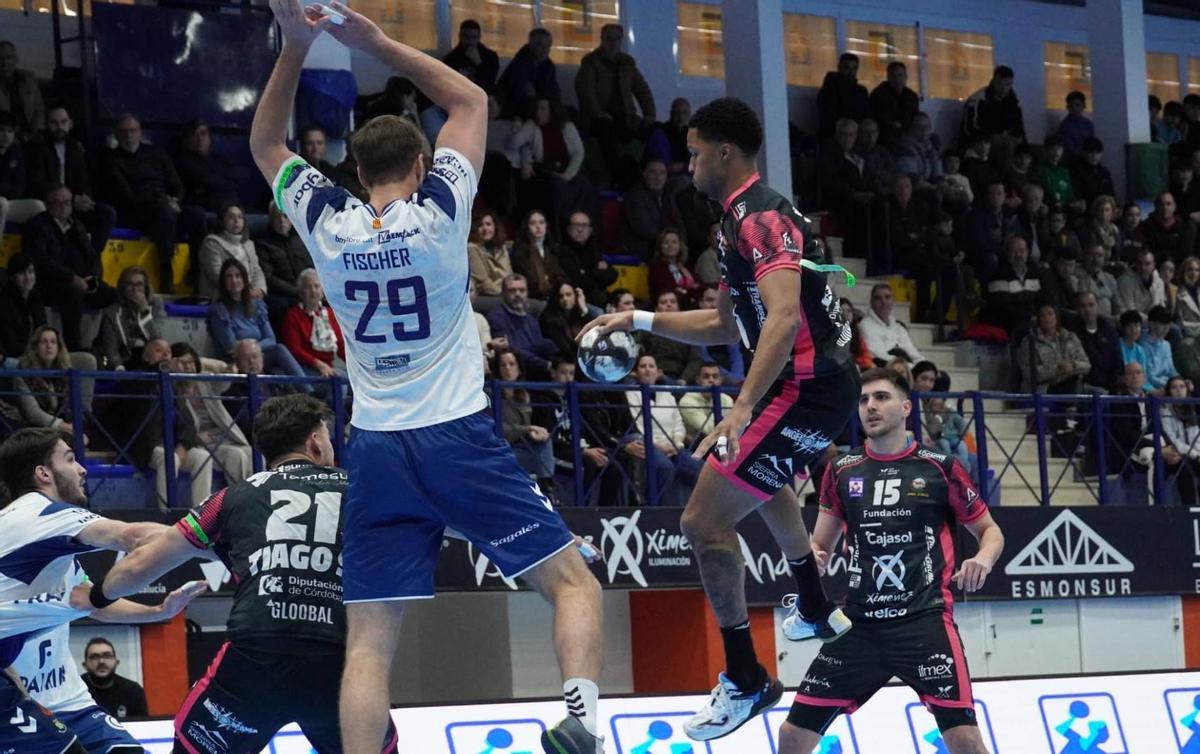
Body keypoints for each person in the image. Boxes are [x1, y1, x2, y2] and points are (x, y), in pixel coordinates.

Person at [248, 4, 606, 753]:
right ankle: (580, 719)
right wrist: (377, 43)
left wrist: (296, 47)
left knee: (368, 644)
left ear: (356, 173)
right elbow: (470, 101)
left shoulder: (329, 223)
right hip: (456, 438)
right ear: (420, 166)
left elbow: (266, 144)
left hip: (375, 447)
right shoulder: (441, 210)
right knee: (573, 583)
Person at [583, 97, 859, 741]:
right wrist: (638, 319)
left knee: (702, 521)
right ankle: (815, 604)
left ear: (724, 152)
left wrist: (741, 406)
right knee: (759, 482)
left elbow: (783, 316)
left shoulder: (760, 220)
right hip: (810, 386)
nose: (689, 163)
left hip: (806, 388)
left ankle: (745, 677)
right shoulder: (738, 220)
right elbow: (724, 324)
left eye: (695, 152)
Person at [89, 394, 402, 754]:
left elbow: (142, 564)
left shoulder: (231, 498)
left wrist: (98, 596)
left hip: (255, 663)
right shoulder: (363, 492)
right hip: (339, 664)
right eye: (328, 437)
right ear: (315, 442)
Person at [775, 368, 1003, 754]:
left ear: (906, 407)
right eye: (863, 400)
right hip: (858, 625)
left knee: (964, 739)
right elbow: (820, 544)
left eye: (881, 397)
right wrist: (814, 556)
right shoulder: (841, 470)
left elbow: (990, 530)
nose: (870, 407)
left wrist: (983, 557)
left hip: (924, 623)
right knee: (791, 735)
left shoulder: (940, 467)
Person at [0, 427, 204, 754]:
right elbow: (134, 537)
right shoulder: (40, 514)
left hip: (68, 701)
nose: (82, 469)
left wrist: (158, 612)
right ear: (43, 474)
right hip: (24, 700)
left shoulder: (51, 544)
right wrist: (211, 539)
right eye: (70, 459)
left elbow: (93, 602)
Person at [101, 113, 205, 293]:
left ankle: (196, 270)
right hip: (138, 213)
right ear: (116, 134)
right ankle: (166, 270)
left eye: (133, 130)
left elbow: (176, 185)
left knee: (197, 215)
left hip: (166, 208)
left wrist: (175, 200)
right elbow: (126, 196)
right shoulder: (111, 160)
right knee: (164, 213)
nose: (129, 135)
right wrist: (164, 202)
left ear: (140, 132)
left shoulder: (157, 153)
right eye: (124, 131)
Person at [21, 184, 119, 350]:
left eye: (67, 202)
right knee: (72, 292)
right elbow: (41, 261)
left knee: (113, 294)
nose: (63, 207)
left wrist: (93, 279)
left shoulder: (77, 226)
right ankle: (73, 347)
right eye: (57, 202)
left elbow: (93, 257)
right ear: (48, 204)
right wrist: (72, 278)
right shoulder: (37, 225)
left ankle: (104, 346)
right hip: (51, 282)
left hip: (81, 280)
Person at [26, 104, 116, 253]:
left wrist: (85, 198)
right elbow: (37, 184)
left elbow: (84, 180)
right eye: (54, 122)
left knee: (107, 213)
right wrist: (70, 199)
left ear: (70, 124)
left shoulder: (75, 147)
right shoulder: (37, 148)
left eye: (63, 122)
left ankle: (91, 258)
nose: (59, 127)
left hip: (73, 206)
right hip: (50, 204)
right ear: (46, 125)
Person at [575, 23, 656, 185]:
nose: (613, 43)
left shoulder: (627, 65)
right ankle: (616, 176)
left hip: (626, 117)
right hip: (597, 119)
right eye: (609, 39)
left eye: (616, 39)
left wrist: (649, 115)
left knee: (654, 131)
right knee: (606, 131)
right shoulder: (591, 63)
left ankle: (648, 175)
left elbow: (642, 90)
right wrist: (598, 113)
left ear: (621, 41)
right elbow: (586, 92)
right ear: (602, 40)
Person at [206, 258, 308, 381]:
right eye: (229, 276)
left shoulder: (256, 305)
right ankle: (308, 389)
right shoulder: (219, 310)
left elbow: (271, 338)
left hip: (259, 356)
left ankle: (306, 389)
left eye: (238, 275)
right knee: (278, 352)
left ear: (244, 278)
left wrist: (255, 350)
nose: (234, 280)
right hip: (236, 360)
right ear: (223, 281)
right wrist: (254, 351)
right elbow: (231, 347)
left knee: (278, 365)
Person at [492, 348, 556, 494]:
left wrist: (535, 433)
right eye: (503, 365)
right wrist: (527, 430)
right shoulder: (492, 394)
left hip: (522, 447)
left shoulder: (524, 395)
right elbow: (499, 429)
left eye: (511, 364)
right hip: (501, 452)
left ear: (519, 368)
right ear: (498, 369)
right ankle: (546, 487)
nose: (508, 369)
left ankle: (547, 487)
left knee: (545, 441)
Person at [12, 325, 93, 436]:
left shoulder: (65, 369)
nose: (49, 346)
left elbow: (89, 360)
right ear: (35, 347)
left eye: (53, 342)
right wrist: (62, 426)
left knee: (82, 439)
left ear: (59, 347)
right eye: (43, 342)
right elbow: (32, 413)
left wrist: (75, 423)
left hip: (64, 427)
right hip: (35, 429)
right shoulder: (23, 370)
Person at [94, 266, 166, 371]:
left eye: (139, 284)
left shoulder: (156, 306)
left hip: (153, 361)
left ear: (146, 287)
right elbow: (111, 348)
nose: (134, 289)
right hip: (125, 363)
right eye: (129, 284)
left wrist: (144, 311)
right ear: (123, 288)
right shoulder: (111, 312)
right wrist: (119, 368)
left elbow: (158, 340)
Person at [487, 273, 557, 379]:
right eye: (512, 290)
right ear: (503, 293)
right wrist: (546, 365)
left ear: (527, 293)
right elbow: (510, 351)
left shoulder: (532, 320)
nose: (518, 294)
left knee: (548, 346)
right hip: (514, 373)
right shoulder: (496, 317)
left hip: (536, 371)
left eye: (522, 290)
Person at [256, 200, 315, 324]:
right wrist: (296, 291)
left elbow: (313, 267)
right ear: (271, 220)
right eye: (277, 217)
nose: (282, 220)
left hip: (308, 289)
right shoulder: (263, 244)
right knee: (280, 306)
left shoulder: (301, 239)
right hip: (286, 294)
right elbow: (269, 278)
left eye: (285, 216)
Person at [198, 202, 269, 299]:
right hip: (220, 297)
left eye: (240, 217)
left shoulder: (248, 244)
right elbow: (216, 275)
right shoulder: (211, 243)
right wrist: (245, 292)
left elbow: (257, 270)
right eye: (231, 217)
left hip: (249, 295)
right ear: (222, 221)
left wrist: (259, 289)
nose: (236, 221)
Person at [1018, 303, 1090, 395]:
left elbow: (1087, 364)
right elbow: (1030, 373)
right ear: (1038, 319)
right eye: (1043, 315)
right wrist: (1057, 369)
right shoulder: (1029, 342)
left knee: (1099, 393)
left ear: (1056, 316)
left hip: (1071, 384)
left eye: (1050, 314)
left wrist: (1073, 365)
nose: (1047, 318)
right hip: (1043, 389)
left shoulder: (1070, 337)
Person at [173, 119, 240, 212]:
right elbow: (207, 180)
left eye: (203, 134)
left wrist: (212, 187)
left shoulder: (218, 159)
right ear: (186, 140)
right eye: (194, 135)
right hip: (199, 207)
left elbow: (236, 179)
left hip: (226, 204)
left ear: (209, 138)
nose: (199, 139)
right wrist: (223, 184)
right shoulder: (182, 161)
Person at [637, 291, 703, 385]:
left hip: (679, 379)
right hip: (650, 377)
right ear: (656, 309)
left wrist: (684, 379)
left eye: (673, 302)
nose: (669, 305)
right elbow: (638, 352)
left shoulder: (689, 330)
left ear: (678, 308)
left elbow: (695, 359)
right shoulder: (646, 330)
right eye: (664, 302)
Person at [558, 211, 617, 309]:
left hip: (597, 296)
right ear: (568, 229)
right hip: (578, 298)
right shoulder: (562, 251)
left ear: (590, 230)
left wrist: (592, 274)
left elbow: (612, 275)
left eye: (584, 225)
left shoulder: (593, 248)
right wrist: (598, 276)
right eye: (576, 225)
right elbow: (579, 281)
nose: (580, 229)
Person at [497, 28, 560, 119]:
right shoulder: (519, 65)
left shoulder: (548, 66)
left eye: (547, 46)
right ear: (531, 45)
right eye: (540, 45)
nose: (544, 50)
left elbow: (554, 93)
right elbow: (523, 96)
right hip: (515, 111)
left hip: (540, 108)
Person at [79, 638, 147, 721]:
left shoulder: (133, 691)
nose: (101, 661)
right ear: (85, 665)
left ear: (116, 662)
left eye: (107, 656)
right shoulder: (74, 690)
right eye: (95, 657)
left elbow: (141, 726)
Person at [859, 283, 926, 365]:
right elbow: (879, 356)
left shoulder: (899, 328)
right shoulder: (865, 325)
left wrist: (925, 366)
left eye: (887, 297)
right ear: (872, 302)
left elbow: (914, 355)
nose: (883, 302)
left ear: (892, 301)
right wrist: (910, 367)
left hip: (905, 366)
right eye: (878, 298)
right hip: (884, 367)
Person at [0, 112, 44, 233]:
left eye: (10, 131)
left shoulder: (16, 151)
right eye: (1, 130)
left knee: (38, 206)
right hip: (2, 203)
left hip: (9, 203)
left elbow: (19, 184)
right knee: (2, 203)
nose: (6, 135)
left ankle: (38, 245)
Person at [1071, 291, 1123, 393]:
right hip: (1082, 386)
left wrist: (1112, 386)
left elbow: (1118, 362)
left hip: (1108, 386)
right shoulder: (1072, 332)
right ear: (1077, 309)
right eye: (1083, 306)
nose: (1087, 310)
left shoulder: (1109, 330)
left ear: (1097, 306)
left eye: (1091, 305)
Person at [511, 208, 566, 304]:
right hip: (533, 298)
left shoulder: (551, 249)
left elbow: (561, 276)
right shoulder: (520, 251)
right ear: (526, 227)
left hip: (555, 296)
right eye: (533, 223)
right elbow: (531, 282)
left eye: (541, 222)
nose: (538, 226)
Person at [0, 253, 46, 367]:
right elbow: (10, 343)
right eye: (22, 273)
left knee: (85, 359)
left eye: (31, 272)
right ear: (12, 277)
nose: (28, 277)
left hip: (39, 353)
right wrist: (35, 352)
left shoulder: (36, 298)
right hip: (15, 356)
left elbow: (43, 329)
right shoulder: (4, 301)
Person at [961, 64, 1026, 145]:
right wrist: (994, 137)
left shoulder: (1012, 103)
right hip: (978, 143)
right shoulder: (977, 100)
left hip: (1004, 143)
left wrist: (1019, 141)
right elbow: (969, 129)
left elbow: (1019, 130)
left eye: (1007, 84)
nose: (1003, 88)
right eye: (999, 83)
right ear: (993, 81)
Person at [623, 158, 673, 260]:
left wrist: (679, 237)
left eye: (662, 173)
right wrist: (667, 239)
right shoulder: (635, 196)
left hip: (664, 244)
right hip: (643, 248)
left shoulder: (667, 196)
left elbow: (677, 221)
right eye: (653, 173)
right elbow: (644, 228)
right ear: (644, 174)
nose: (658, 178)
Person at [816, 53, 869, 140]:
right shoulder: (831, 87)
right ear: (839, 67)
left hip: (855, 135)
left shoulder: (861, 91)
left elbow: (865, 114)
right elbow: (829, 113)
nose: (851, 72)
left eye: (854, 68)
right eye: (847, 68)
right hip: (834, 135)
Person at [679, 362, 734, 443]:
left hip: (722, 442)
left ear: (720, 380)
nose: (711, 380)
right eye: (706, 376)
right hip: (694, 445)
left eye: (715, 376)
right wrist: (715, 398)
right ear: (698, 380)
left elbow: (733, 428)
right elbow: (710, 430)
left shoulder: (727, 399)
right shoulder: (687, 401)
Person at [467, 208, 512, 310]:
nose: (485, 229)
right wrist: (505, 293)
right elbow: (483, 283)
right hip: (486, 295)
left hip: (505, 292)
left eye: (488, 224)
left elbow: (509, 274)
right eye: (480, 225)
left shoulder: (501, 248)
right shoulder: (472, 248)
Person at [0, 40, 45, 137]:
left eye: (8, 58)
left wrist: (35, 133)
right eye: (0, 59)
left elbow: (39, 110)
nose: (4, 63)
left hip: (32, 132)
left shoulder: (29, 79)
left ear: (16, 59)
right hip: (5, 135)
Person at [869, 62, 919, 148]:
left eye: (900, 75)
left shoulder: (912, 96)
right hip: (886, 136)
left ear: (906, 77)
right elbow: (877, 118)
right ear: (888, 77)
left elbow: (915, 118)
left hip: (908, 135)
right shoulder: (879, 94)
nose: (897, 80)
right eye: (893, 76)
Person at [442, 19, 499, 94]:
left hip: (482, 96)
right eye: (466, 36)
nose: (470, 41)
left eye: (474, 37)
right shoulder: (451, 59)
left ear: (479, 38)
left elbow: (490, 81)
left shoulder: (490, 57)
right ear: (460, 36)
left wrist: (479, 63)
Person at [648, 227, 700, 309]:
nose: (670, 245)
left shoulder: (685, 266)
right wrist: (690, 292)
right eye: (666, 242)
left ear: (680, 245)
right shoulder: (656, 267)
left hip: (688, 305)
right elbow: (666, 290)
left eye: (674, 242)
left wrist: (685, 292)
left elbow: (699, 287)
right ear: (660, 246)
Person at [539, 281, 592, 359]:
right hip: (564, 359)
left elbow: (593, 334)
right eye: (561, 296)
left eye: (568, 295)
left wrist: (584, 309)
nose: (565, 299)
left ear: (576, 296)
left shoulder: (579, 313)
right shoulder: (548, 319)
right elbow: (564, 348)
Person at [1116, 248, 1167, 320]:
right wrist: (1152, 319)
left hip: (1155, 322)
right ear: (1135, 264)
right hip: (1131, 322)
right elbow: (1130, 312)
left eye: (1147, 264)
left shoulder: (1159, 282)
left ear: (1154, 265)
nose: (1143, 268)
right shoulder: (1124, 281)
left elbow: (1161, 307)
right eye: (1139, 263)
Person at [1056, 91, 1094, 158]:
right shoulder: (1064, 126)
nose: (1074, 108)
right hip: (1073, 160)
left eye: (1078, 105)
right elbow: (1070, 150)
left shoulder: (1088, 124)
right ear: (1067, 107)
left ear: (1084, 106)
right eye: (1071, 106)